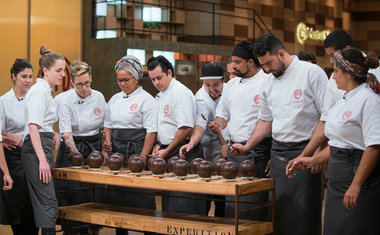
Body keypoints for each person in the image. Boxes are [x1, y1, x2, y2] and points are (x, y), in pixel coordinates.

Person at [231, 33, 327, 235]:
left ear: (281, 53)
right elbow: (265, 121)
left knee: (304, 213)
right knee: (279, 212)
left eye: (268, 63)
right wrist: (248, 146)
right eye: (262, 65)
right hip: (278, 153)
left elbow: (325, 117)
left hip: (306, 149)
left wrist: (315, 152)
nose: (266, 69)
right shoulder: (268, 82)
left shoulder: (311, 73)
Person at [286, 47, 380, 235]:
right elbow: (339, 143)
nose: (333, 76)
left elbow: (374, 147)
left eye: (336, 71)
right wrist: (313, 160)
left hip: (357, 180)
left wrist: (356, 184)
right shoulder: (343, 100)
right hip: (337, 183)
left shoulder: (369, 101)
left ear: (349, 73)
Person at [209, 41, 271, 220]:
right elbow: (223, 115)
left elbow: (271, 120)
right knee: (233, 203)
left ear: (251, 62)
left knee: (253, 205)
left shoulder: (267, 81)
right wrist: (218, 125)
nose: (233, 66)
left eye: (237, 62)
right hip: (234, 150)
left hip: (258, 150)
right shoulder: (232, 85)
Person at [103, 55, 157, 235]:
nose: (122, 84)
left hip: (138, 150)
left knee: (141, 199)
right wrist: (108, 142)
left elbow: (151, 132)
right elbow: (108, 125)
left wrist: (143, 157)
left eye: (126, 80)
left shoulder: (147, 99)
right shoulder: (115, 99)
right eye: (119, 81)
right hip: (118, 153)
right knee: (119, 201)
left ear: (137, 77)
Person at [147, 55, 205, 215]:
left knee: (185, 206)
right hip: (167, 150)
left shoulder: (179, 92)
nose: (156, 83)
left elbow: (185, 128)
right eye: (152, 80)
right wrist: (159, 144)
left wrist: (167, 149)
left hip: (183, 151)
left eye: (159, 77)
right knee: (169, 206)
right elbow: (164, 125)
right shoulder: (160, 95)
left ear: (170, 73)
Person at [54, 60, 106, 235]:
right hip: (72, 148)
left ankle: (94, 228)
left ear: (91, 78)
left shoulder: (98, 96)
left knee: (94, 194)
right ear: (72, 83)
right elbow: (66, 134)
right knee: (72, 193)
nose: (84, 88)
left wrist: (105, 149)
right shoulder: (64, 99)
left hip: (94, 146)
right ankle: (72, 230)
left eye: (87, 83)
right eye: (79, 84)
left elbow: (104, 127)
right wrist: (77, 156)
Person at [21, 45, 64, 235]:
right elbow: (32, 127)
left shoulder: (45, 90)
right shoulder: (39, 90)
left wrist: (52, 133)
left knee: (45, 202)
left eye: (63, 70)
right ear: (46, 71)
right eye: (58, 70)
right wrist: (42, 161)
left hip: (41, 144)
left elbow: (41, 123)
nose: (62, 75)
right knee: (48, 202)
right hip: (35, 149)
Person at [179, 62, 229, 217]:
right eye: (208, 85)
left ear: (223, 81)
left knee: (223, 194)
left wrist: (226, 144)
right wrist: (191, 143)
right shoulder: (200, 98)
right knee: (205, 194)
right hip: (206, 149)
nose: (212, 89)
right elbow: (200, 126)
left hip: (227, 147)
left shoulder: (230, 91)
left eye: (216, 84)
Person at [0, 59, 38, 235]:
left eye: (30, 76)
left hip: (33, 154)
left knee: (34, 205)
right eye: (24, 76)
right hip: (13, 158)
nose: (28, 80)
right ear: (14, 76)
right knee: (17, 205)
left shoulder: (35, 99)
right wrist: (7, 135)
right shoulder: (4, 101)